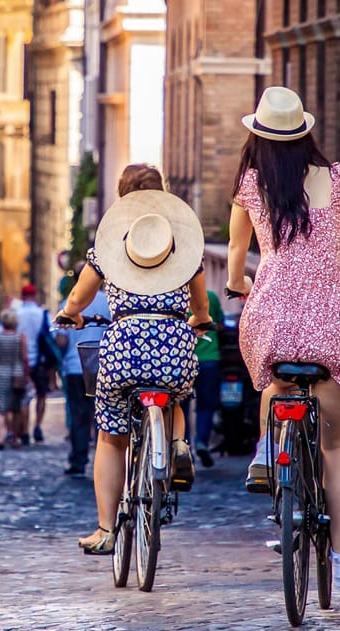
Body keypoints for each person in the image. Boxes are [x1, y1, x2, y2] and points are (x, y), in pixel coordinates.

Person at [225, 87, 340, 594]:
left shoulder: (250, 184)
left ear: (257, 136)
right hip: (330, 322)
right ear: (305, 132)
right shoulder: (339, 179)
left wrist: (238, 284)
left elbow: (237, 251)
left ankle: (268, 449)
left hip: (271, 319)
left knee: (275, 377)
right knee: (339, 444)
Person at [58, 164, 211, 555]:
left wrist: (71, 314)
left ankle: (106, 529)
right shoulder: (183, 247)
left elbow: (78, 298)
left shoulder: (110, 249)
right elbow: (201, 306)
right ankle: (176, 444)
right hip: (174, 345)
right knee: (175, 394)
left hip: (123, 348)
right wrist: (200, 321)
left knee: (110, 438)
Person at [54, 283, 111, 477]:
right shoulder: (110, 302)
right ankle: (105, 463)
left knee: (79, 416)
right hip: (104, 367)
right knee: (104, 418)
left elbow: (61, 340)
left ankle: (78, 462)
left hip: (75, 366)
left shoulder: (67, 303)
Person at [181, 289, 224, 468]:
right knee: (206, 405)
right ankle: (202, 442)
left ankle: (183, 447)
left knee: (181, 407)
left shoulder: (177, 295)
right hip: (209, 358)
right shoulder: (210, 296)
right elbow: (220, 324)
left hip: (182, 359)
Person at [15, 283, 56, 445]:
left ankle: (24, 430)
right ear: (35, 296)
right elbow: (51, 336)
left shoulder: (16, 314)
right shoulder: (43, 314)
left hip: (22, 361)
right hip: (41, 362)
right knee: (41, 396)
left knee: (24, 398)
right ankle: (37, 426)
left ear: (22, 296)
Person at [0, 309, 30, 449]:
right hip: (17, 374)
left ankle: (0, 438)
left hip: (1, 372)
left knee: (1, 409)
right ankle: (15, 437)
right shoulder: (21, 337)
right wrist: (27, 374)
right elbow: (24, 358)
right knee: (16, 408)